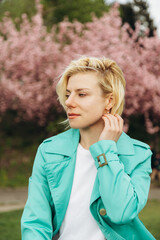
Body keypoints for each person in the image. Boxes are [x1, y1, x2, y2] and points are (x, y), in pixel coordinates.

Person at [21, 56, 155, 240]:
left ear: (109, 101)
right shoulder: (49, 151)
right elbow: (36, 222)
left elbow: (121, 213)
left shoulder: (138, 154)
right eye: (68, 94)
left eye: (81, 94)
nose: (69, 102)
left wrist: (106, 150)